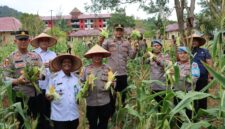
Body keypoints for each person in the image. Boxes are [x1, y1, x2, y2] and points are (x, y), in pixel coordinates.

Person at [3, 30, 42, 129]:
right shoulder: (10, 58)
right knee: (23, 124)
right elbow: (4, 78)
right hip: (20, 98)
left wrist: (39, 76)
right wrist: (17, 81)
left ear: (29, 41)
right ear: (15, 41)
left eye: (25, 39)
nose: (23, 41)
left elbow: (43, 72)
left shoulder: (35, 56)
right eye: (20, 39)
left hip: (35, 96)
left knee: (36, 122)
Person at [102, 24, 136, 105]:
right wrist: (101, 40)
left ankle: (121, 112)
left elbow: (132, 56)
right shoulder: (108, 42)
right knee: (112, 96)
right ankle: (112, 114)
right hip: (111, 74)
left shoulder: (127, 43)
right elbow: (101, 53)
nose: (119, 32)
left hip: (123, 73)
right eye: (117, 30)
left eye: (120, 30)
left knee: (123, 96)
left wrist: (136, 49)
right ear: (114, 31)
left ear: (123, 32)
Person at [81, 44, 112, 129]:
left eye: (99, 55)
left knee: (103, 124)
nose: (97, 57)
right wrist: (85, 86)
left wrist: (112, 83)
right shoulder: (85, 69)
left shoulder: (108, 69)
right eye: (95, 55)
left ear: (102, 56)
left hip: (105, 102)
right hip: (91, 102)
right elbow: (81, 83)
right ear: (91, 56)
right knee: (92, 124)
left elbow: (113, 83)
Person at [46, 54, 82, 129]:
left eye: (69, 62)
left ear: (72, 65)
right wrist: (49, 96)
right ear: (61, 64)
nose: (67, 64)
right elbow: (48, 93)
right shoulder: (54, 78)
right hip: (59, 116)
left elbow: (79, 93)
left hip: (73, 115)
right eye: (64, 62)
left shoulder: (76, 78)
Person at [30, 32, 57, 129]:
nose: (44, 42)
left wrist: (51, 67)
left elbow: (56, 70)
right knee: (38, 110)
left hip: (50, 86)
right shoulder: (33, 54)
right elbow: (30, 70)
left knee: (49, 110)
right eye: (42, 40)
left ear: (49, 42)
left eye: (46, 40)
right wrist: (41, 66)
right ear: (38, 42)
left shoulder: (53, 54)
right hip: (38, 87)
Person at [173, 46, 200, 127]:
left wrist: (178, 75)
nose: (182, 55)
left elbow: (194, 80)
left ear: (189, 55)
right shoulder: (175, 64)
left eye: (185, 53)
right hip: (177, 94)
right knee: (179, 116)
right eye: (180, 53)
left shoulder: (193, 65)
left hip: (189, 95)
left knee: (190, 116)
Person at [190, 34, 213, 112]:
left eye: (196, 40)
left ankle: (203, 112)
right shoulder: (187, 51)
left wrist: (210, 76)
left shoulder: (204, 51)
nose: (194, 42)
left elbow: (209, 63)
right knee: (192, 95)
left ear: (199, 42)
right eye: (192, 40)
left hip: (203, 77)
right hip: (190, 78)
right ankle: (194, 111)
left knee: (202, 94)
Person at [148, 40, 170, 105]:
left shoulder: (165, 55)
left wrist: (157, 60)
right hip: (153, 85)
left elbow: (166, 65)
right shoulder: (150, 57)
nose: (156, 47)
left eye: (158, 45)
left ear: (161, 47)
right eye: (154, 46)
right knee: (157, 104)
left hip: (163, 85)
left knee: (163, 103)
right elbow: (143, 62)